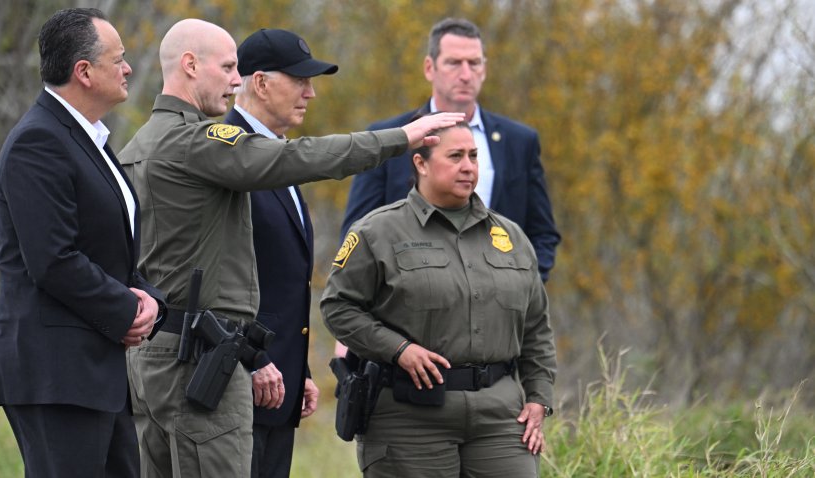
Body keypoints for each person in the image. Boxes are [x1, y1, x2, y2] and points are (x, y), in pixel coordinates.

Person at [119, 18, 463, 477]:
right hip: (198, 357)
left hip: (160, 353)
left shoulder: (137, 144)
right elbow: (294, 158)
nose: (234, 80)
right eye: (226, 67)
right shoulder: (195, 142)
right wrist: (399, 138)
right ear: (189, 65)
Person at [0, 8, 164, 477]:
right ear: (83, 72)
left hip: (97, 371)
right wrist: (125, 309)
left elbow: (106, 249)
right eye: (119, 59)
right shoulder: (38, 142)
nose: (128, 69)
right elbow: (53, 259)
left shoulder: (91, 140)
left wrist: (149, 301)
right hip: (56, 374)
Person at [322, 121, 556, 477]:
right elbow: (338, 307)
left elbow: (536, 326)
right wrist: (398, 349)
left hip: (499, 416)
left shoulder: (510, 236)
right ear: (421, 163)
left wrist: (539, 397)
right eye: (456, 156)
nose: (468, 167)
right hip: (410, 417)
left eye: (474, 156)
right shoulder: (377, 231)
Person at [341, 17, 560, 282]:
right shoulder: (388, 138)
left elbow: (542, 232)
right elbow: (357, 234)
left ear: (485, 69)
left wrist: (526, 288)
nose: (466, 74)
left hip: (497, 309)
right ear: (429, 68)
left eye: (474, 63)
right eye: (454, 63)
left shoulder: (519, 141)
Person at [222, 28, 336, 478]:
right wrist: (251, 359)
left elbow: (280, 278)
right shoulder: (224, 149)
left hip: (276, 386)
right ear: (261, 83)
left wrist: (297, 365)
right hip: (236, 382)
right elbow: (219, 272)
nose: (310, 93)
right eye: (299, 80)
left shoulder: (278, 157)